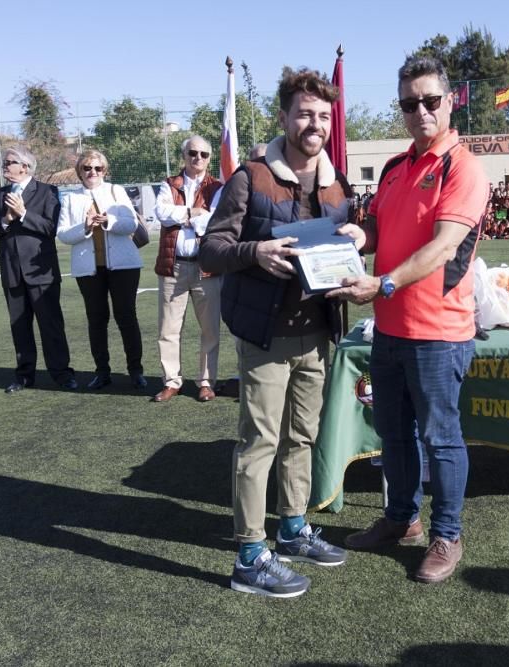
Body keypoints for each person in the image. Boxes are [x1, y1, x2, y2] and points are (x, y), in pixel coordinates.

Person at [330, 55, 489, 585]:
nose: (419, 110)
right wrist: (361, 237)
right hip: (389, 328)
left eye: (429, 100)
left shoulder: (463, 167)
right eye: (408, 103)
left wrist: (385, 283)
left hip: (438, 333)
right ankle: (402, 519)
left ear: (450, 101)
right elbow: (379, 229)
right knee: (394, 434)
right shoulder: (398, 168)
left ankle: (448, 533)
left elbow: (445, 245)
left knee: (441, 438)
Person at [200, 67, 350, 598]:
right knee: (259, 440)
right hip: (265, 336)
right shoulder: (250, 175)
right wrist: (254, 251)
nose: (315, 124)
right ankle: (248, 554)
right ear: (285, 117)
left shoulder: (336, 184)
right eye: (305, 114)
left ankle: (292, 527)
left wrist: (358, 236)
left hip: (317, 332)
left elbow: (346, 241)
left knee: (302, 438)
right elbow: (211, 249)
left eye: (323, 116)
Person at [0, 146, 77, 393]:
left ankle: (61, 374)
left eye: (10, 162)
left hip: (41, 271)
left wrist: (23, 213)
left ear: (25, 167)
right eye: (4, 162)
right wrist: (6, 220)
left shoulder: (47, 192)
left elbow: (50, 228)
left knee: (51, 326)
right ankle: (24, 375)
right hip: (12, 271)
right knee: (20, 326)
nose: (5, 165)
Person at [57, 150, 145, 390]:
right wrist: (84, 227)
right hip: (88, 268)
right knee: (96, 320)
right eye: (87, 168)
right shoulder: (70, 199)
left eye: (98, 168)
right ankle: (102, 372)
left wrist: (108, 221)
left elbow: (132, 224)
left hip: (124, 266)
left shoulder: (116, 191)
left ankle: (135, 371)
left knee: (126, 317)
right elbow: (63, 234)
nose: (92, 173)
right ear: (79, 171)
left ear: (105, 171)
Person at [152, 136, 223, 403]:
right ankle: (172, 381)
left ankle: (206, 382)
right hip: (174, 266)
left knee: (210, 330)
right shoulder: (169, 184)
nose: (198, 158)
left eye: (204, 154)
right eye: (193, 152)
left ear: (210, 157)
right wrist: (193, 213)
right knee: (168, 329)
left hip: (207, 268)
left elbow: (215, 222)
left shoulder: (218, 187)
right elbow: (161, 213)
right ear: (184, 155)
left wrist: (182, 215)